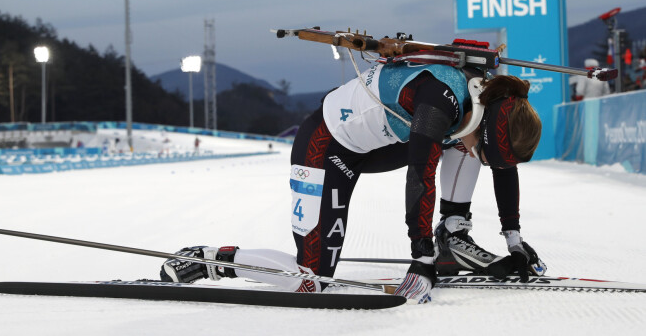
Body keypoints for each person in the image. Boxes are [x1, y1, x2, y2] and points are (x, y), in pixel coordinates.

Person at [159, 61, 546, 303]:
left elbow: (500, 164)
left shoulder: (494, 104)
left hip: (378, 146)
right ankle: (212, 260)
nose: (482, 158)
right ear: (490, 127)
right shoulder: (439, 100)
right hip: (326, 147)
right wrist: (420, 257)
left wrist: (514, 239)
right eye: (485, 153)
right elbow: (419, 176)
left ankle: (453, 233)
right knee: (310, 280)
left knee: (460, 145)